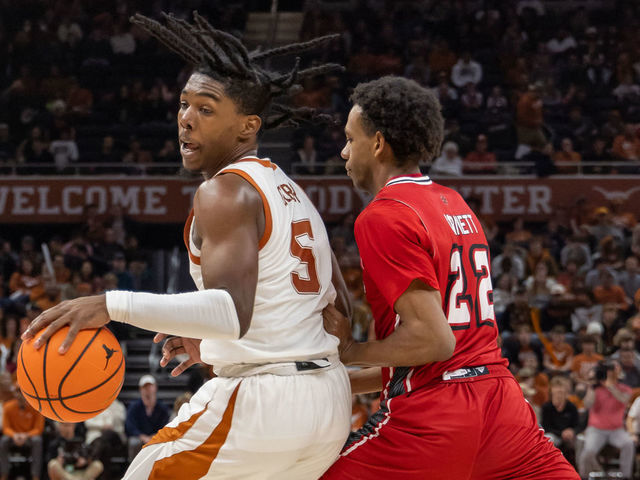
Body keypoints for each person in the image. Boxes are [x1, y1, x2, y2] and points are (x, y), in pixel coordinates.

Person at [21, 12, 351, 480]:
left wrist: (110, 304)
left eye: (206, 109)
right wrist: (233, 346)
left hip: (263, 404)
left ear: (247, 127)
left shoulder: (224, 191)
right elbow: (340, 317)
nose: (186, 120)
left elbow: (229, 314)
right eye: (184, 105)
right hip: (327, 406)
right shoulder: (292, 192)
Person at [321, 76, 579, 479]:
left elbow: (433, 341)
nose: (343, 151)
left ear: (377, 144)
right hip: (500, 404)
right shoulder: (452, 201)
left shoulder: (384, 214)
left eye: (350, 139)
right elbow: (435, 353)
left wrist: (350, 351)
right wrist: (337, 382)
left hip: (436, 417)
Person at [578, 361, 634, 479]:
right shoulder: (596, 389)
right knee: (588, 451)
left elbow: (624, 400)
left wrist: (610, 386)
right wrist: (592, 387)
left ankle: (626, 476)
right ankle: (585, 476)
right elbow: (587, 404)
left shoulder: (625, 388)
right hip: (596, 430)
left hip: (616, 430)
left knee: (628, 444)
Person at [0, 389, 45, 480]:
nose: (20, 395)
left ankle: (35, 476)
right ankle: (4, 474)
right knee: (3, 441)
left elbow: (38, 429)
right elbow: (5, 428)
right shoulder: (8, 406)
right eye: (18, 392)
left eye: (22, 392)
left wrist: (26, 435)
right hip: (14, 437)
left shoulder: (36, 407)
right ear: (15, 393)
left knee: (37, 440)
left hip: (29, 438)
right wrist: (14, 435)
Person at [125, 375, 170, 463]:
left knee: (163, 443)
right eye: (145, 387)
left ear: (155, 388)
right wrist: (142, 436)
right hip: (139, 437)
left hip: (157, 436)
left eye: (150, 386)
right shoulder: (134, 407)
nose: (148, 389)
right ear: (140, 389)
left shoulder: (162, 408)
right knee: (134, 442)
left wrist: (155, 436)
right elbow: (129, 426)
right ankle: (133, 469)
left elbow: (165, 425)